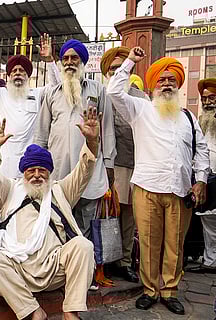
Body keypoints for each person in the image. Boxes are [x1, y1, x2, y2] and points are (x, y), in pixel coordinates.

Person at [107, 47, 210, 315]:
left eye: (171, 80)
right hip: (147, 188)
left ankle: (169, 291)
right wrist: (130, 61)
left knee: (175, 244)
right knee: (151, 242)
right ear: (153, 84)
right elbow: (114, 91)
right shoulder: (140, 108)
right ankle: (149, 290)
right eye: (161, 79)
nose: (166, 84)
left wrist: (200, 180)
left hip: (179, 190)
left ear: (178, 84)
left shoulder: (188, 117)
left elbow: (201, 150)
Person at [0, 106, 101, 320]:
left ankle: (71, 311)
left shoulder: (61, 190)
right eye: (31, 171)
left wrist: (92, 142)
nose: (37, 175)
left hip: (55, 267)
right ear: (24, 172)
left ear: (49, 172)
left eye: (42, 170)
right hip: (17, 269)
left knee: (83, 245)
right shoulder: (9, 190)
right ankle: (33, 311)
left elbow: (84, 169)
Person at [34, 38, 116, 239]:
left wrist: (109, 164)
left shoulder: (98, 90)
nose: (70, 62)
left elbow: (107, 130)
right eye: (66, 58)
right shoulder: (52, 93)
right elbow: (41, 133)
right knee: (57, 223)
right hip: (59, 170)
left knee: (86, 227)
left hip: (90, 170)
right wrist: (37, 162)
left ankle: (86, 267)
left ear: (83, 62)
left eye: (74, 58)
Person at [0, 24, 59, 179]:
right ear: (8, 76)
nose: (17, 73)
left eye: (21, 71)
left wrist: (49, 60)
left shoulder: (38, 93)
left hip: (30, 163)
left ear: (28, 76)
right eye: (14, 71)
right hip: (4, 161)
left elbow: (57, 87)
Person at [99, 46, 148, 283]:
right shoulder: (101, 94)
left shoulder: (140, 97)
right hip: (107, 164)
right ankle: (104, 260)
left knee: (128, 216)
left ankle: (125, 262)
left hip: (134, 164)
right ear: (106, 73)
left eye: (122, 67)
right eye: (113, 69)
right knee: (107, 214)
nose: (118, 72)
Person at [196, 78, 216, 271]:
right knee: (207, 221)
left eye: (212, 98)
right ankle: (209, 260)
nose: (208, 102)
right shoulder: (200, 119)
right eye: (205, 98)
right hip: (206, 177)